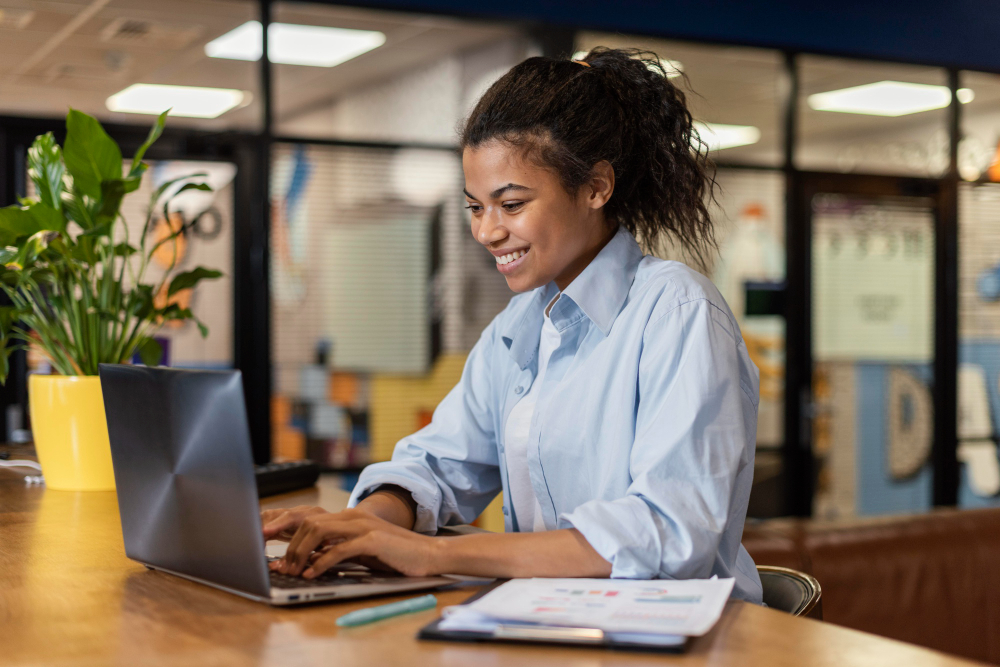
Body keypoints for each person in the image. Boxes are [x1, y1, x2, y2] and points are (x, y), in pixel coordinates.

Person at [262, 47, 763, 603]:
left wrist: (433, 554)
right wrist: (371, 524)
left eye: (512, 203)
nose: (487, 232)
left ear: (597, 187)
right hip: (554, 618)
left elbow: (667, 533)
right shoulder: (520, 325)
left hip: (688, 641)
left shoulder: (678, 314)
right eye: (475, 207)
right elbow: (438, 462)